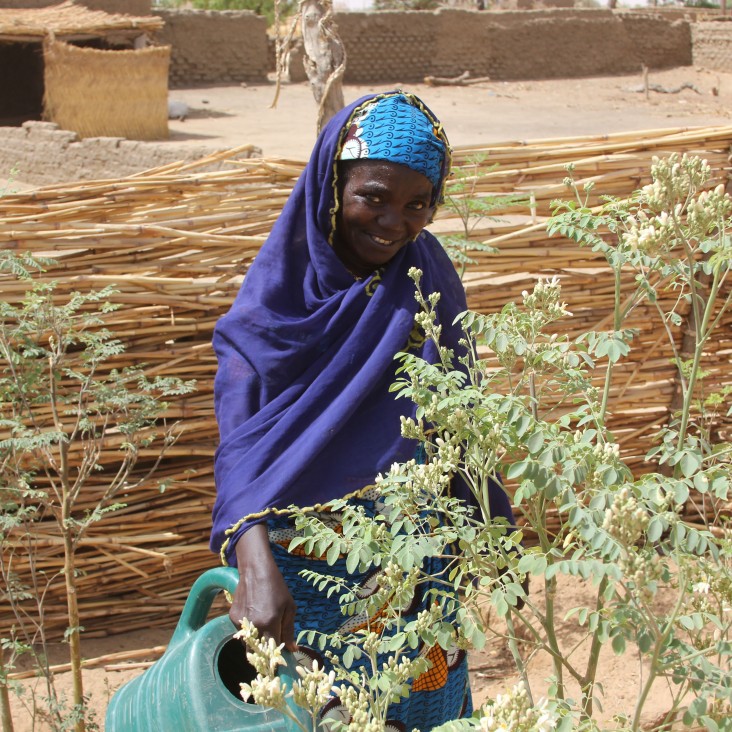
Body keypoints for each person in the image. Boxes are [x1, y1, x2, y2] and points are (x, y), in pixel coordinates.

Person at [211, 91, 514, 730]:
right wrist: (255, 564)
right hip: (304, 576)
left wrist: (478, 528)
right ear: (332, 186)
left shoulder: (426, 276)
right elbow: (242, 451)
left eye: (417, 204)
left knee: (421, 709)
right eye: (373, 196)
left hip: (417, 565)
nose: (393, 222)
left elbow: (458, 411)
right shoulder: (276, 305)